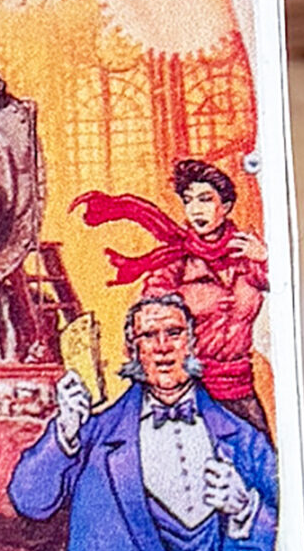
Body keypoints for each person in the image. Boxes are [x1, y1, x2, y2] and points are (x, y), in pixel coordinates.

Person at [7, 289, 278, 551]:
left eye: (174, 333)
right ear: (131, 352)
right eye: (148, 336)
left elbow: (291, 536)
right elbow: (29, 500)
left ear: (193, 344)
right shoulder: (96, 433)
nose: (163, 346)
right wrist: (65, 432)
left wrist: (248, 509)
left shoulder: (243, 438)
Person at [76, 159, 273, 433]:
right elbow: (148, 314)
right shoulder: (174, 262)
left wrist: (266, 259)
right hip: (191, 394)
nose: (196, 210)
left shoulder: (248, 256)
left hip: (241, 392)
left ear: (226, 207)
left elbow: (283, 290)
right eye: (189, 201)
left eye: (205, 200)